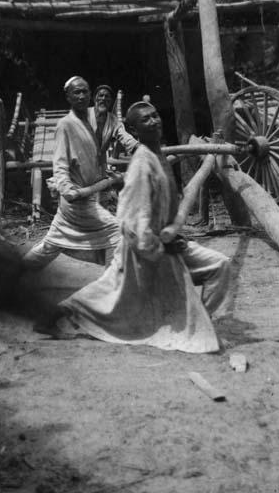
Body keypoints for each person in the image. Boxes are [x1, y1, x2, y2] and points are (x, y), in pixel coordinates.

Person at [40, 101, 232, 354]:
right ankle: (59, 312)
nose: (154, 121)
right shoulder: (142, 164)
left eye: (155, 116)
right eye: (146, 120)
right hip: (144, 249)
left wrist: (174, 235)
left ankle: (199, 324)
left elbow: (165, 206)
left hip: (166, 242)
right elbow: (133, 218)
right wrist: (157, 247)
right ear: (134, 130)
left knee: (220, 265)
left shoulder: (158, 154)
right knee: (114, 298)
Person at [23, 76, 128, 270]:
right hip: (77, 199)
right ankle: (109, 287)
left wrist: (139, 148)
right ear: (68, 97)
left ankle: (16, 271)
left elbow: (121, 138)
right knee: (117, 233)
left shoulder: (98, 122)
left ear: (90, 95)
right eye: (76, 92)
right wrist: (66, 188)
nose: (81, 96)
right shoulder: (66, 125)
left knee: (51, 246)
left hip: (91, 194)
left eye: (85, 91)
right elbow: (60, 164)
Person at [87, 84, 138, 170]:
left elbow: (126, 139)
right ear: (95, 98)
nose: (103, 99)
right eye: (101, 95)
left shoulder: (113, 121)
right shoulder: (84, 115)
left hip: (100, 168)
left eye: (107, 97)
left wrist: (141, 148)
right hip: (80, 166)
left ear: (110, 101)